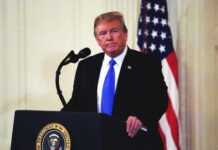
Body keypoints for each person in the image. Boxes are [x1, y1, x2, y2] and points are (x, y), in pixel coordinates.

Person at [62, 11, 168, 149]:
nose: (109, 38)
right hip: (96, 143)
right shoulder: (86, 66)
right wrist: (56, 120)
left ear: (125, 34)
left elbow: (160, 100)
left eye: (114, 31)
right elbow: (77, 103)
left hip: (135, 142)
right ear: (97, 40)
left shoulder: (147, 63)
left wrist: (142, 118)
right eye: (103, 33)